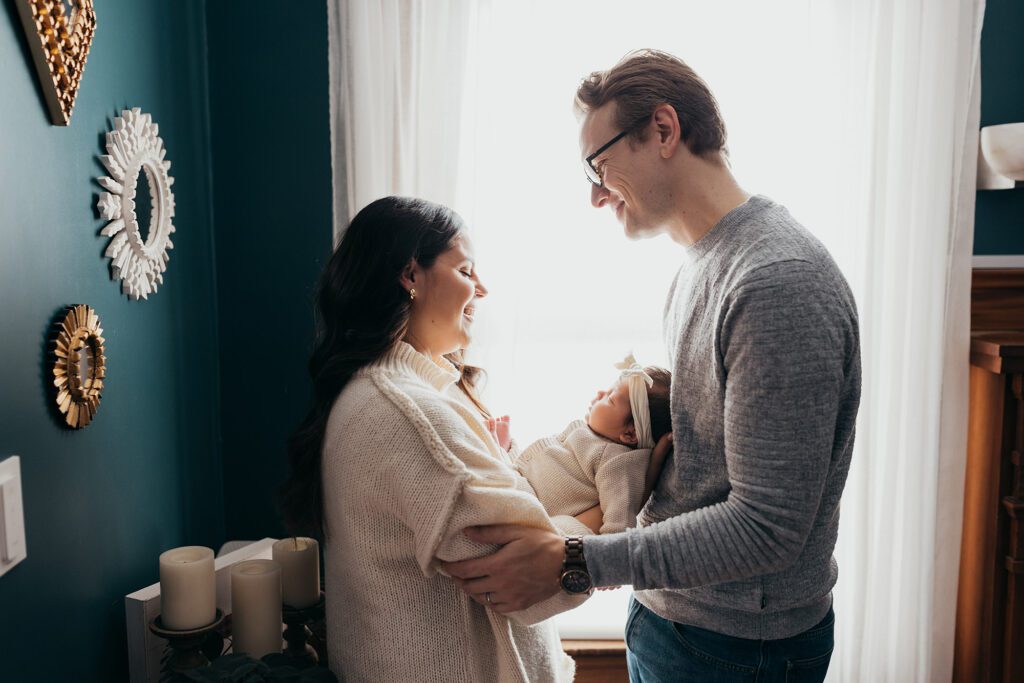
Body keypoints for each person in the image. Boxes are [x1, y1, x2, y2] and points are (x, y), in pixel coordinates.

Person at [442, 49, 862, 682]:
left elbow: (768, 528)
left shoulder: (777, 282)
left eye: (598, 164)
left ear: (663, 130)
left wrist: (576, 559)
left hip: (737, 649)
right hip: (678, 623)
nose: (593, 195)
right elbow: (699, 469)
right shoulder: (701, 264)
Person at [279, 196, 599, 683]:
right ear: (411, 275)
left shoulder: (404, 393)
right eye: (468, 271)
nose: (483, 289)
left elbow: (520, 520)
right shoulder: (407, 414)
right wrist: (610, 509)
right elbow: (529, 582)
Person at [494, 356, 672, 535]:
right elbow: (533, 474)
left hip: (530, 511)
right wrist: (509, 450)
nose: (600, 393)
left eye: (610, 398)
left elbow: (619, 524)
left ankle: (500, 455)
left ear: (630, 434)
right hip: (521, 489)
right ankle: (502, 453)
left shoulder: (617, 461)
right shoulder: (594, 439)